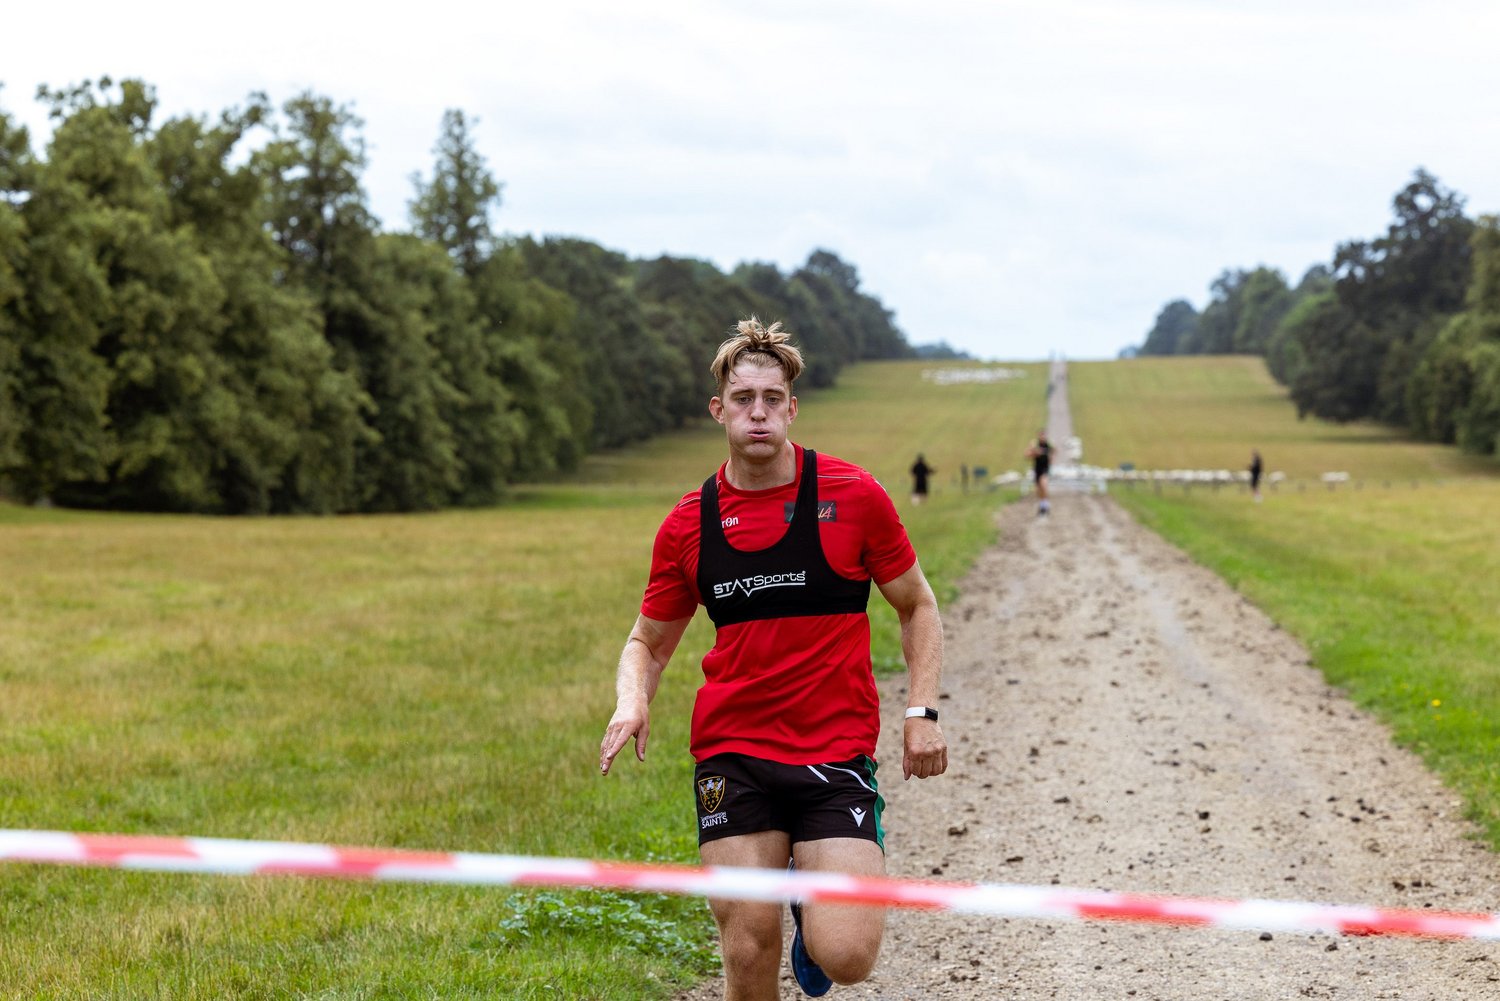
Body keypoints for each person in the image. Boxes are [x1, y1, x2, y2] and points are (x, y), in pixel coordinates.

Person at [599, 317, 948, 1000]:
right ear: (718, 410)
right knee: (748, 944)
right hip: (734, 750)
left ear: (792, 407)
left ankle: (810, 906)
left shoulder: (853, 495)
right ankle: (778, 898)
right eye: (741, 399)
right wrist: (632, 696)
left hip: (833, 749)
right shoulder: (687, 524)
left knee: (845, 955)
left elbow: (918, 604)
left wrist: (921, 711)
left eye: (770, 398)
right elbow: (647, 641)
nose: (756, 412)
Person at [1026, 430, 1053, 516]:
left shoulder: (1049, 444)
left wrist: (1050, 459)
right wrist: (1034, 452)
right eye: (1041, 436)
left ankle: (1045, 505)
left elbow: (1054, 451)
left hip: (1045, 468)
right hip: (1037, 468)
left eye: (1044, 436)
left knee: (1043, 484)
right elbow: (1027, 455)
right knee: (1038, 490)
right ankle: (1043, 505)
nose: (1042, 437)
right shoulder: (1035, 444)